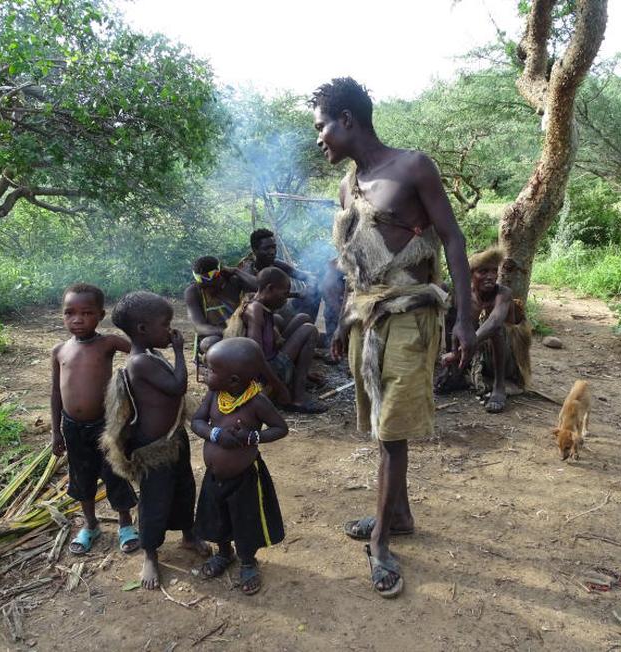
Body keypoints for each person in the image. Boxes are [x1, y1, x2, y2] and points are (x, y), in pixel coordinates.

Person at [311, 77, 476, 597]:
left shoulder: (412, 166)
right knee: (380, 425)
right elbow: (353, 265)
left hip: (411, 312)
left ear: (347, 120)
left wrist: (465, 318)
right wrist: (341, 320)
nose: (319, 139)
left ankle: (381, 541)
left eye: (321, 128)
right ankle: (398, 514)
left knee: (390, 431)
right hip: (366, 316)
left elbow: (452, 238)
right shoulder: (347, 186)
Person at [101, 291, 210, 589]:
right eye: (166, 324)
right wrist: (178, 351)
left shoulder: (151, 354)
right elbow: (177, 387)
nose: (171, 330)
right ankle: (151, 554)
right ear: (142, 330)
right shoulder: (139, 362)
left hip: (174, 440)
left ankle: (188, 535)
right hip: (153, 449)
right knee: (154, 501)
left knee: (184, 488)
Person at [191, 337, 288, 596]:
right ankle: (224, 554)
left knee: (246, 522)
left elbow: (281, 428)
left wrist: (253, 437)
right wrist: (215, 434)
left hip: (245, 477)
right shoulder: (214, 394)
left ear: (233, 379)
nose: (205, 371)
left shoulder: (257, 402)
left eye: (211, 369)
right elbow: (197, 422)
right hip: (215, 476)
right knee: (217, 518)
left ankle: (248, 562)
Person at [50, 283, 139, 555]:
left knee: (114, 474)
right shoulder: (59, 351)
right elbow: (55, 392)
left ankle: (125, 524)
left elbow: (140, 350)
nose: (77, 319)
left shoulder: (108, 343)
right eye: (70, 313)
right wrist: (56, 432)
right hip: (72, 428)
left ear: (101, 315)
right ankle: (90, 525)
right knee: (81, 477)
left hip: (105, 426)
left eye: (86, 313)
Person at [437, 247, 532, 413]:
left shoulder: (503, 294)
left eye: (494, 271)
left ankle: (499, 386)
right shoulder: (464, 296)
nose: (491, 276)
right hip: (473, 355)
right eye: (483, 271)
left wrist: (459, 351)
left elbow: (495, 322)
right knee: (451, 315)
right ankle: (455, 373)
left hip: (506, 361)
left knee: (496, 330)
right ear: (471, 274)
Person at [224, 266, 326, 413]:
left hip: (269, 364)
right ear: (270, 289)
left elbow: (270, 345)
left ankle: (298, 379)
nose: (286, 299)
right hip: (262, 378)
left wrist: (303, 372)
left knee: (303, 318)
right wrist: (281, 388)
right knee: (309, 330)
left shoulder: (258, 301)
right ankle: (298, 397)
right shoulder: (255, 310)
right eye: (285, 294)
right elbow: (256, 357)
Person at [238, 228, 321, 322]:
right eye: (266, 248)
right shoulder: (248, 273)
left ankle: (307, 327)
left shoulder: (277, 264)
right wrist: (297, 294)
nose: (272, 251)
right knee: (278, 319)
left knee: (315, 293)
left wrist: (310, 287)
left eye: (273, 247)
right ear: (255, 250)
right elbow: (263, 292)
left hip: (283, 309)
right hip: (263, 316)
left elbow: (304, 276)